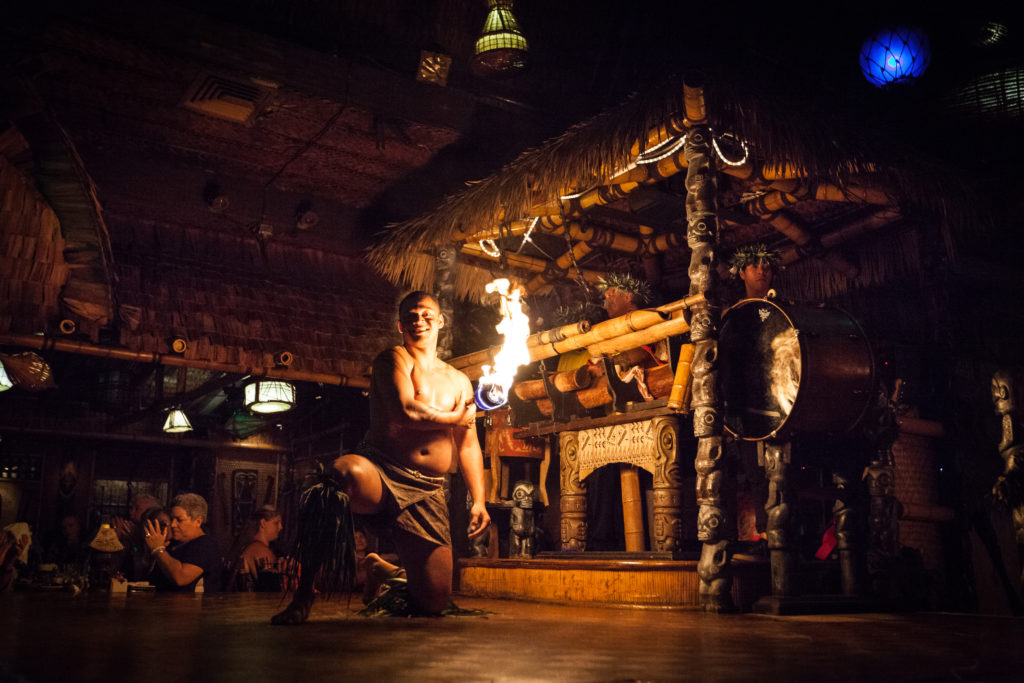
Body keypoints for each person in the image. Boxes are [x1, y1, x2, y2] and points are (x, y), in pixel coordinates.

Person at [272, 290, 490, 623]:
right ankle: (303, 597)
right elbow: (406, 412)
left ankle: (380, 569)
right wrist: (454, 418)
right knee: (336, 479)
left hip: (429, 489)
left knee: (433, 601)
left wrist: (479, 500)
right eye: (412, 316)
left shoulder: (459, 380)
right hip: (381, 470)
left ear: (440, 321)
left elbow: (469, 444)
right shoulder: (394, 359)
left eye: (427, 315)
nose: (420, 321)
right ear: (401, 324)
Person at [143, 493, 221, 593]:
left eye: (179, 520)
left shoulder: (205, 545)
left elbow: (181, 578)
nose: (173, 524)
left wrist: (159, 549)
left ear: (198, 521)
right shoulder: (173, 544)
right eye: (172, 519)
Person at [236, 507, 285, 592]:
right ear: (263, 523)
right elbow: (271, 591)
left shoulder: (251, 547)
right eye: (276, 523)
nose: (281, 527)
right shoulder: (262, 552)